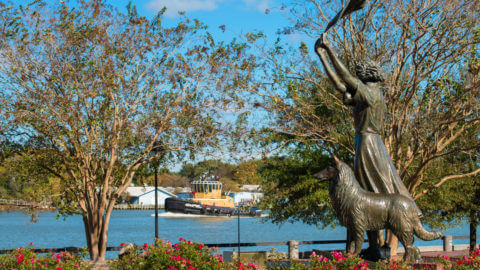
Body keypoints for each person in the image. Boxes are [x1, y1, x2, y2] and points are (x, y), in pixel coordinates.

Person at [314, 35, 422, 253]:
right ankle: (373, 247)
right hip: (367, 142)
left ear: (366, 74)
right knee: (367, 192)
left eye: (359, 72)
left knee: (369, 191)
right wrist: (321, 56)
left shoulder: (371, 93)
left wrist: (330, 48)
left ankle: (378, 246)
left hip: (368, 143)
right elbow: (339, 84)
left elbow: (344, 76)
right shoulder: (366, 94)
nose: (356, 75)